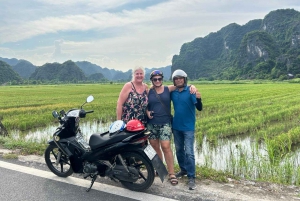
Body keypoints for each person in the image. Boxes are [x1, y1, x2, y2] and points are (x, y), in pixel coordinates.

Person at [146, 70, 197, 186]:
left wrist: (193, 86)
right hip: (151, 123)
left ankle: (172, 173)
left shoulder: (168, 89)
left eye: (159, 79)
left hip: (165, 122)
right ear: (152, 81)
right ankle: (159, 169)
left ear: (162, 79)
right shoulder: (148, 91)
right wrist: (146, 111)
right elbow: (145, 104)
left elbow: (183, 86)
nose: (157, 81)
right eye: (155, 79)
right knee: (154, 147)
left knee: (166, 146)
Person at [170, 69, 202, 190]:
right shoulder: (172, 92)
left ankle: (191, 177)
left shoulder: (190, 91)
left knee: (189, 152)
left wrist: (199, 98)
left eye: (181, 78)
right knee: (179, 150)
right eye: (176, 79)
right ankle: (183, 169)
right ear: (174, 81)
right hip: (176, 126)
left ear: (184, 79)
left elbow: (199, 108)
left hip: (188, 127)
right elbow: (163, 90)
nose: (178, 80)